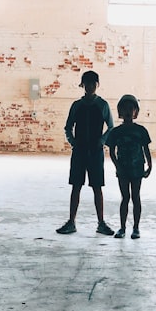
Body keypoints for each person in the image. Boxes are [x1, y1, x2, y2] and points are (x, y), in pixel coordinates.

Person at [56, 70, 115, 236]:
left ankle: (101, 222)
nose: (90, 86)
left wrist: (102, 141)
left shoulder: (102, 105)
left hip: (95, 152)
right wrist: (73, 141)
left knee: (97, 187)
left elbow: (110, 127)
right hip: (80, 151)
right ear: (83, 85)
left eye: (92, 83)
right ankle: (72, 221)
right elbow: (68, 127)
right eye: (87, 83)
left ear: (97, 84)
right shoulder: (77, 105)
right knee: (76, 186)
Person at [106, 94, 152, 239]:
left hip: (137, 168)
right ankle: (122, 227)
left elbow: (146, 149)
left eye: (130, 108)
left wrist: (150, 165)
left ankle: (136, 228)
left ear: (135, 112)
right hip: (123, 170)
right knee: (125, 197)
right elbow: (112, 151)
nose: (127, 111)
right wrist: (117, 166)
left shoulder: (141, 130)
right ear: (120, 111)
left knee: (136, 197)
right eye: (124, 109)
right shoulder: (116, 132)